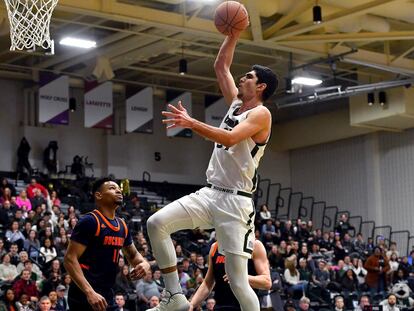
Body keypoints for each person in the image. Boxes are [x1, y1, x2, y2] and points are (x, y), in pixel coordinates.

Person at [146, 28, 277, 311]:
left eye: (250, 77)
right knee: (156, 224)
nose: (243, 78)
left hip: (235, 202)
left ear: (262, 86)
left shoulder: (261, 114)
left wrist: (192, 123)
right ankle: (174, 299)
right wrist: (234, 33)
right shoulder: (236, 105)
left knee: (240, 282)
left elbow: (230, 138)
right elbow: (221, 66)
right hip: (211, 193)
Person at [64, 178, 150, 311]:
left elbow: (133, 255)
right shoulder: (90, 221)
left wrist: (144, 264)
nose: (118, 191)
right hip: (84, 295)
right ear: (98, 195)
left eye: (118, 188)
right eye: (111, 188)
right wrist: (89, 292)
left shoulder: (122, 225)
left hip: (107, 294)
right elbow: (70, 259)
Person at [189, 240, 271, 310]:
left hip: (245, 307)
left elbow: (266, 282)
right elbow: (207, 283)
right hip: (220, 306)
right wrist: (192, 304)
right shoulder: (215, 247)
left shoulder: (254, 244)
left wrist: (239, 277)